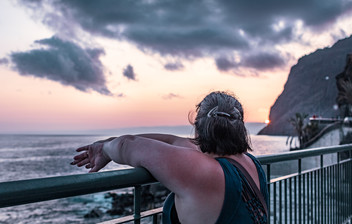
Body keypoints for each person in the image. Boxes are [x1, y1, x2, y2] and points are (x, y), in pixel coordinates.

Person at [71, 91, 269, 223]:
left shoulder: (203, 172)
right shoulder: (252, 164)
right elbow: (172, 141)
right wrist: (110, 140)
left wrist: (105, 149)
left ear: (197, 128)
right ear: (240, 128)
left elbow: (127, 145)